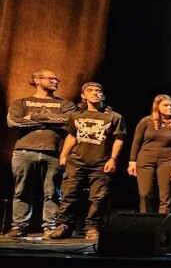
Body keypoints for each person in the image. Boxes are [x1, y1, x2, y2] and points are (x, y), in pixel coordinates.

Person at [46, 82, 125, 240]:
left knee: (98, 197)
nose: (95, 93)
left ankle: (92, 227)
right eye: (90, 90)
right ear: (83, 95)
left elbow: (119, 139)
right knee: (69, 194)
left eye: (98, 90)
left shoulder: (114, 117)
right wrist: (63, 155)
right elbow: (71, 136)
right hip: (76, 161)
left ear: (103, 95)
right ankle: (64, 225)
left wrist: (113, 159)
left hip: (100, 163)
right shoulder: (76, 116)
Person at [5, 69, 75, 238]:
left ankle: (50, 227)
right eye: (50, 79)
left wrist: (32, 118)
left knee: (53, 192)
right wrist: (52, 121)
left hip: (54, 152)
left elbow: (68, 121)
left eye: (56, 79)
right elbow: (14, 122)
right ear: (36, 80)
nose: (55, 81)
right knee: (22, 190)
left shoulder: (66, 104)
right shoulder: (21, 102)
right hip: (24, 151)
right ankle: (19, 226)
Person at [127, 94, 171, 214]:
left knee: (166, 195)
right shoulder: (146, 121)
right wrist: (132, 161)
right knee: (145, 193)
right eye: (165, 105)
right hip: (145, 159)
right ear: (157, 107)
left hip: (168, 160)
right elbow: (136, 142)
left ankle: (162, 223)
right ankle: (146, 221)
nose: (169, 108)